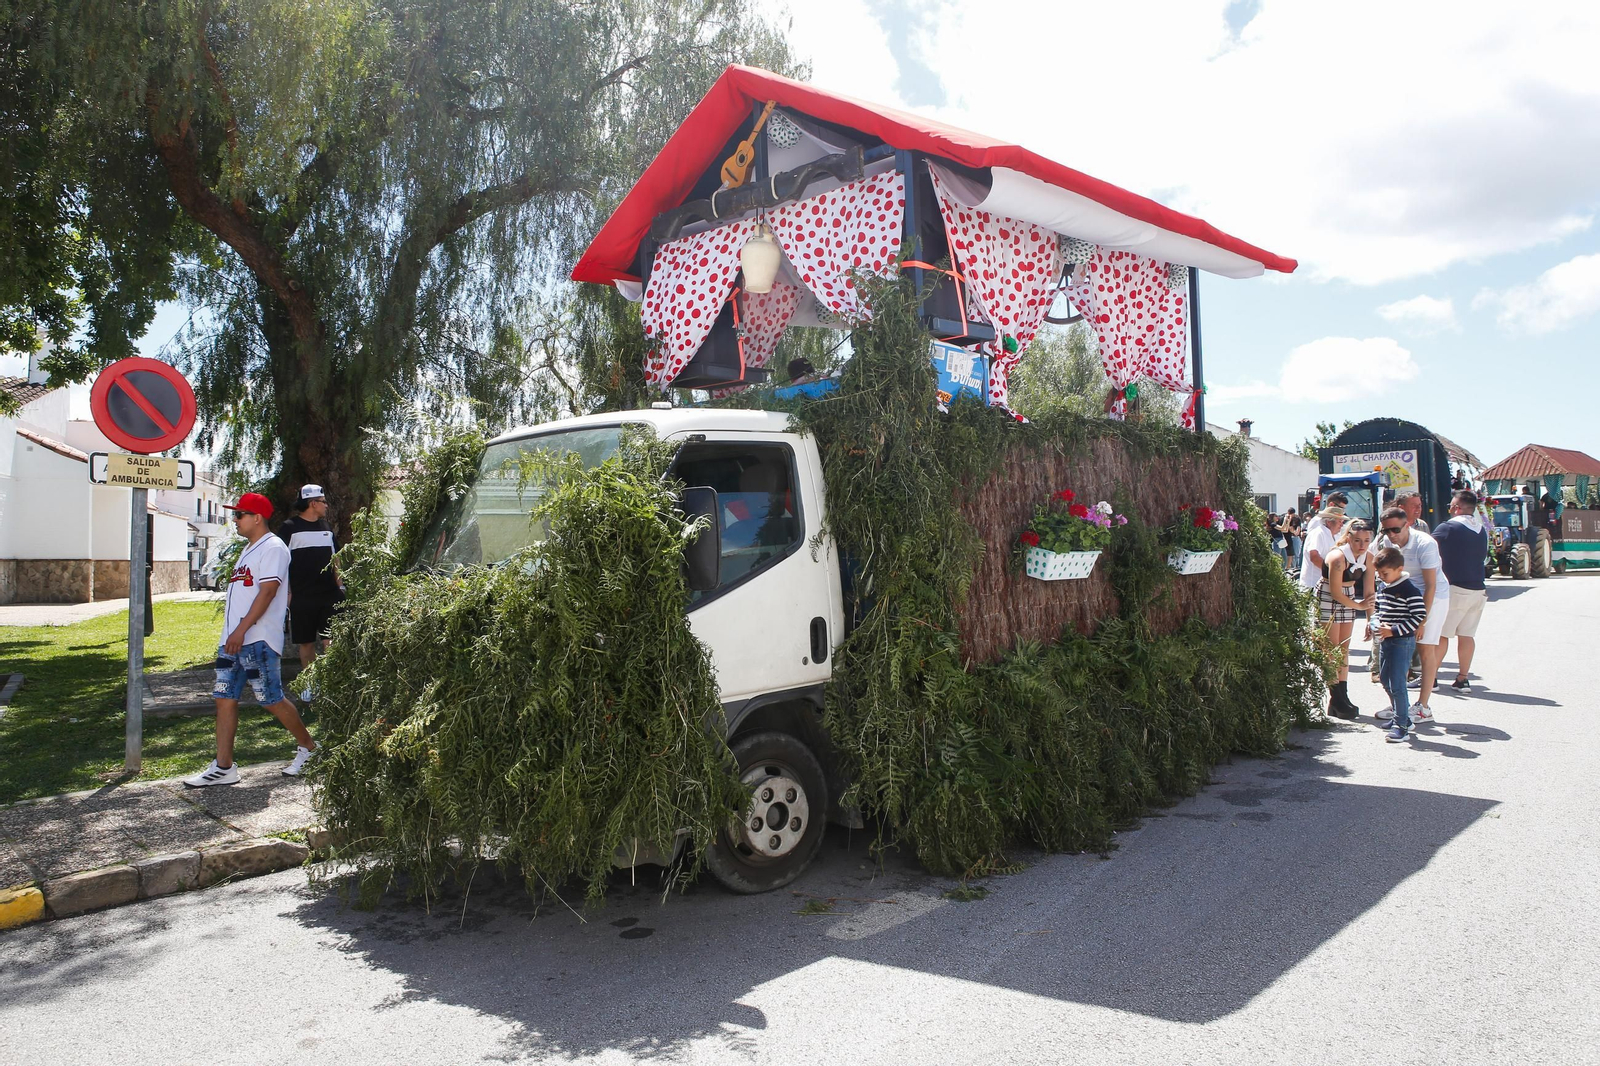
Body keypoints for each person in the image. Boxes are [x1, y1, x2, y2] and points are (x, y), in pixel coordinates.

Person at [184, 493, 317, 787]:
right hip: (233, 640)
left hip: (256, 640)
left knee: (270, 698)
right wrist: (233, 634)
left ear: (257, 517)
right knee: (223, 697)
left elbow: (268, 593)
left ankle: (310, 749)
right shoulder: (249, 550)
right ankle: (223, 767)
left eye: (240, 514)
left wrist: (242, 630)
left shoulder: (273, 548)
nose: (235, 520)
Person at [1375, 505, 1448, 723]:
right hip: (1401, 595)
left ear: (1407, 524)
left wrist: (1421, 621)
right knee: (1397, 652)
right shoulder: (1387, 542)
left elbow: (1430, 585)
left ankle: (1423, 707)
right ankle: (1400, 705)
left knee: (1425, 649)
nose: (1391, 535)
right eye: (1386, 530)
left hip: (1430, 598)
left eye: (1395, 530)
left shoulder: (1425, 543)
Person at [276, 483, 345, 700]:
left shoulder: (326, 527)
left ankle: (332, 681)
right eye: (323, 501)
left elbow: (336, 560)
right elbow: (280, 562)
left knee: (330, 639)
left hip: (329, 595)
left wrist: (341, 586)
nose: (326, 505)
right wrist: (286, 593)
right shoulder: (289, 528)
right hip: (301, 596)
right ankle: (310, 684)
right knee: (305, 642)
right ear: (312, 503)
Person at [1433, 489, 1490, 691]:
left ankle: (1431, 678)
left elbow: (1427, 546)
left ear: (1457, 508)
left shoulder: (1448, 527)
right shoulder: (1481, 529)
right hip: (1478, 588)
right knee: (1467, 635)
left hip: (1455, 588)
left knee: (1441, 635)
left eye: (1451, 504)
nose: (1449, 507)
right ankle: (1462, 678)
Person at [1318, 519, 1375, 719]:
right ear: (1349, 537)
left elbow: (1369, 591)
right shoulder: (1338, 557)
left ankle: (1343, 695)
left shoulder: (1368, 557)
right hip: (1329, 596)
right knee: (1331, 648)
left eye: (1367, 540)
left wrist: (1371, 620)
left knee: (1343, 647)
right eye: (1358, 540)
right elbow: (1334, 592)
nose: (1362, 545)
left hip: (1349, 596)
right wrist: (1359, 606)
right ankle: (1336, 697)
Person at [1372, 546, 1428, 742]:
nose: (1381, 577)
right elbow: (1378, 609)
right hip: (1386, 641)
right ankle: (1400, 714)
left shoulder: (1408, 589)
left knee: (1397, 684)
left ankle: (1402, 725)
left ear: (1399, 569)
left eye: (1385, 573)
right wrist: (1374, 623)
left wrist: (1393, 630)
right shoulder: (1383, 586)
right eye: (1378, 573)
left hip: (1401, 642)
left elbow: (1419, 615)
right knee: (1385, 680)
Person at [1299, 507, 1345, 596]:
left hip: (1323, 585)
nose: (1342, 525)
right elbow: (1314, 557)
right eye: (1340, 521)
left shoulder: (1334, 536)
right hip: (1312, 586)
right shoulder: (1318, 533)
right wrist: (1332, 572)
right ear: (1329, 522)